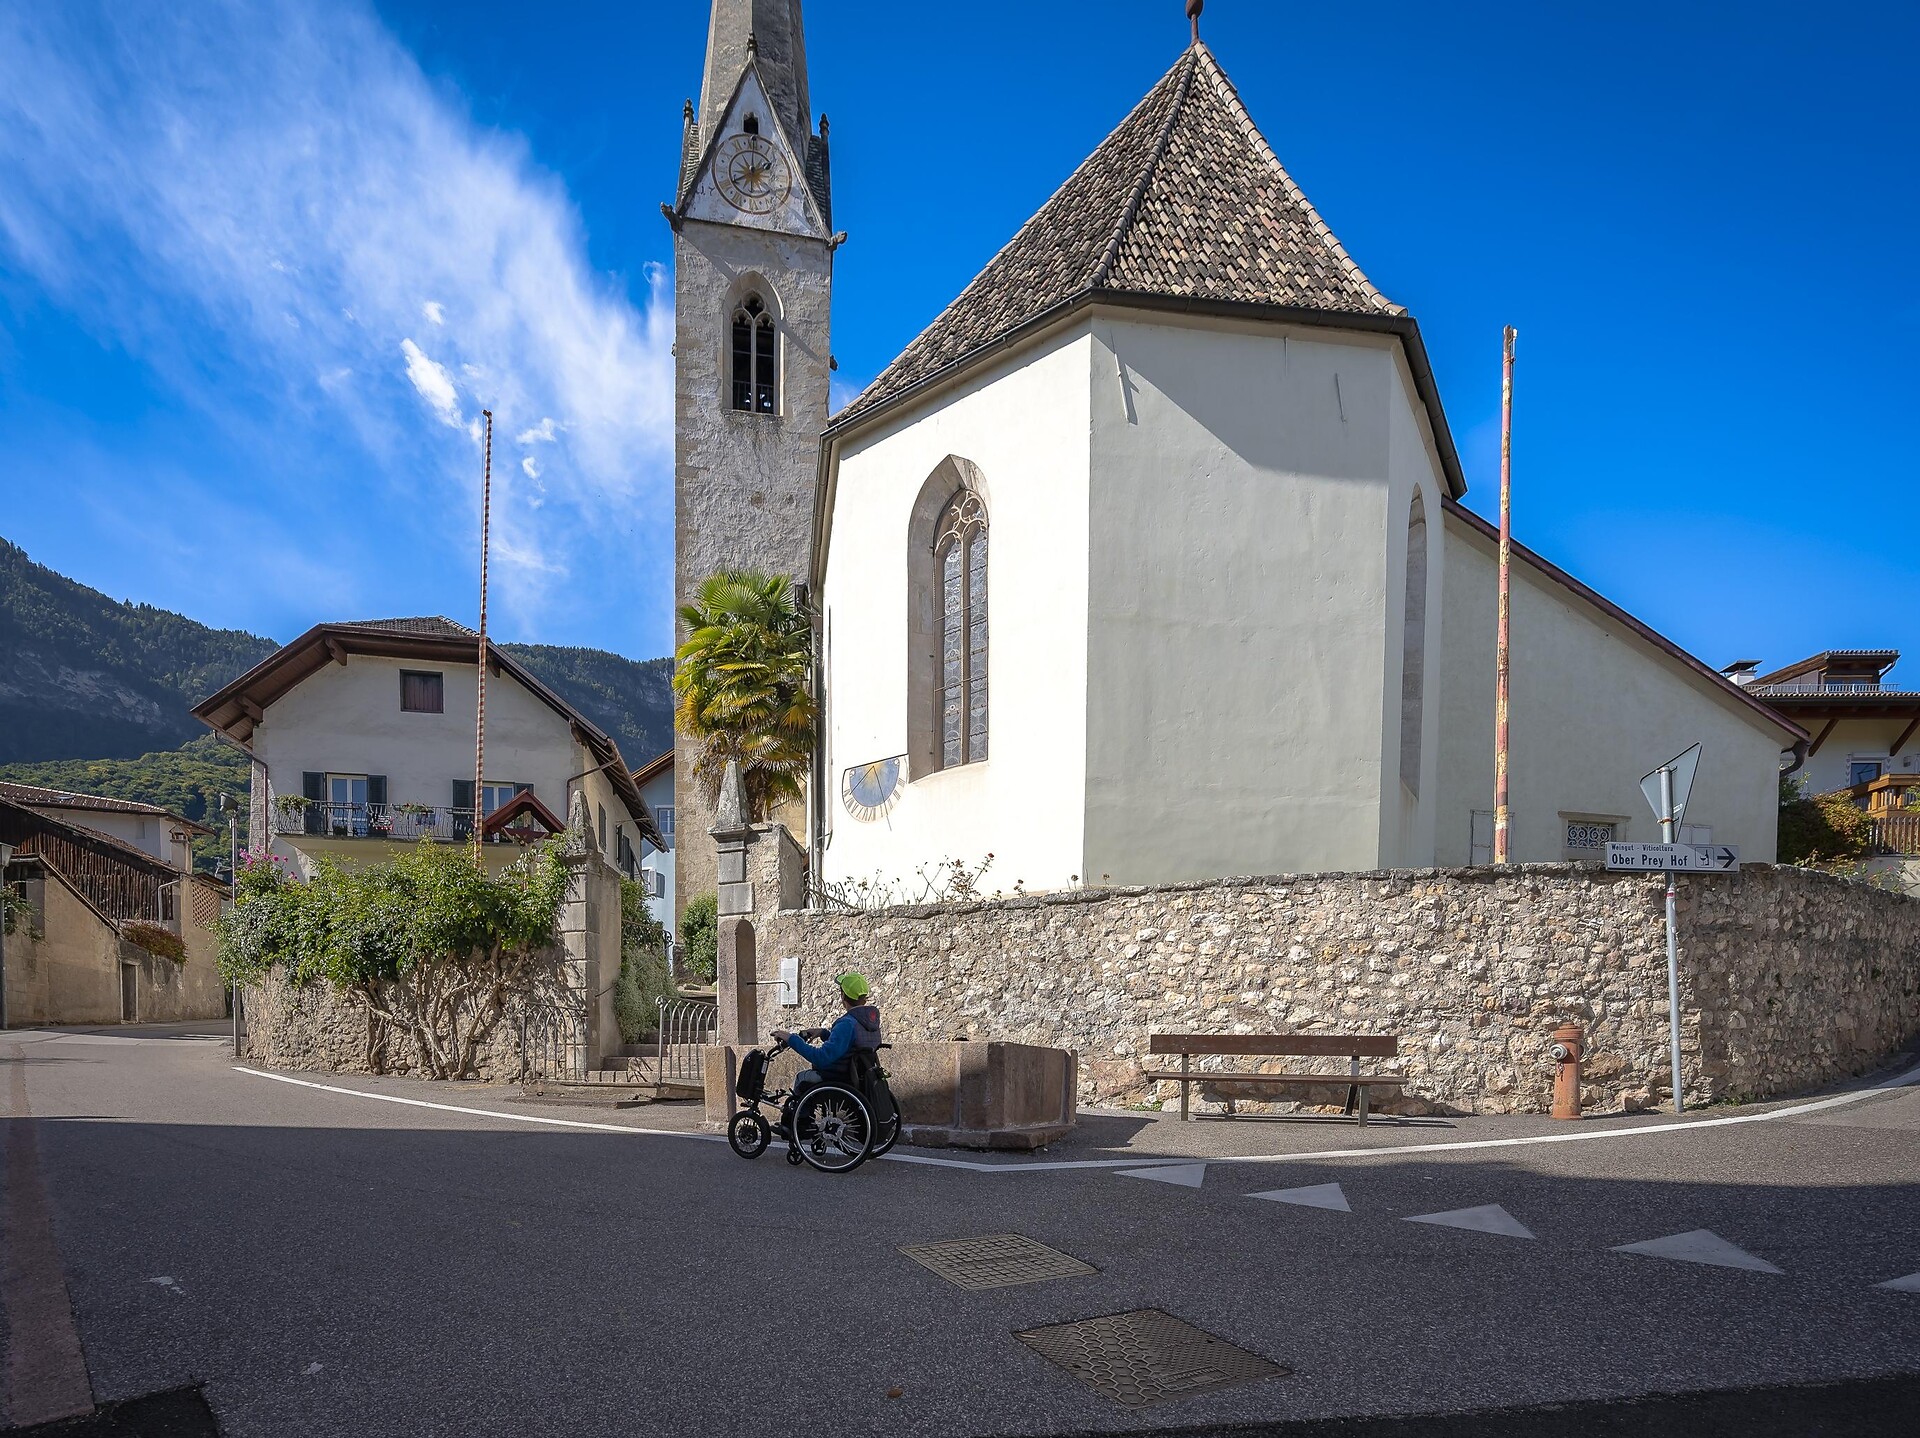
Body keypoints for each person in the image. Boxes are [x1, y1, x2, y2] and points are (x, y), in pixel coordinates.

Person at [773, 971, 882, 1108]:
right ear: (864, 998)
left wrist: (792, 1039)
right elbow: (851, 1045)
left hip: (839, 1077)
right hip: (860, 1077)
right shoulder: (870, 1023)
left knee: (802, 1078)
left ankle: (799, 1123)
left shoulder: (847, 1024)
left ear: (843, 996)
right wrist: (824, 1033)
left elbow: (821, 1058)